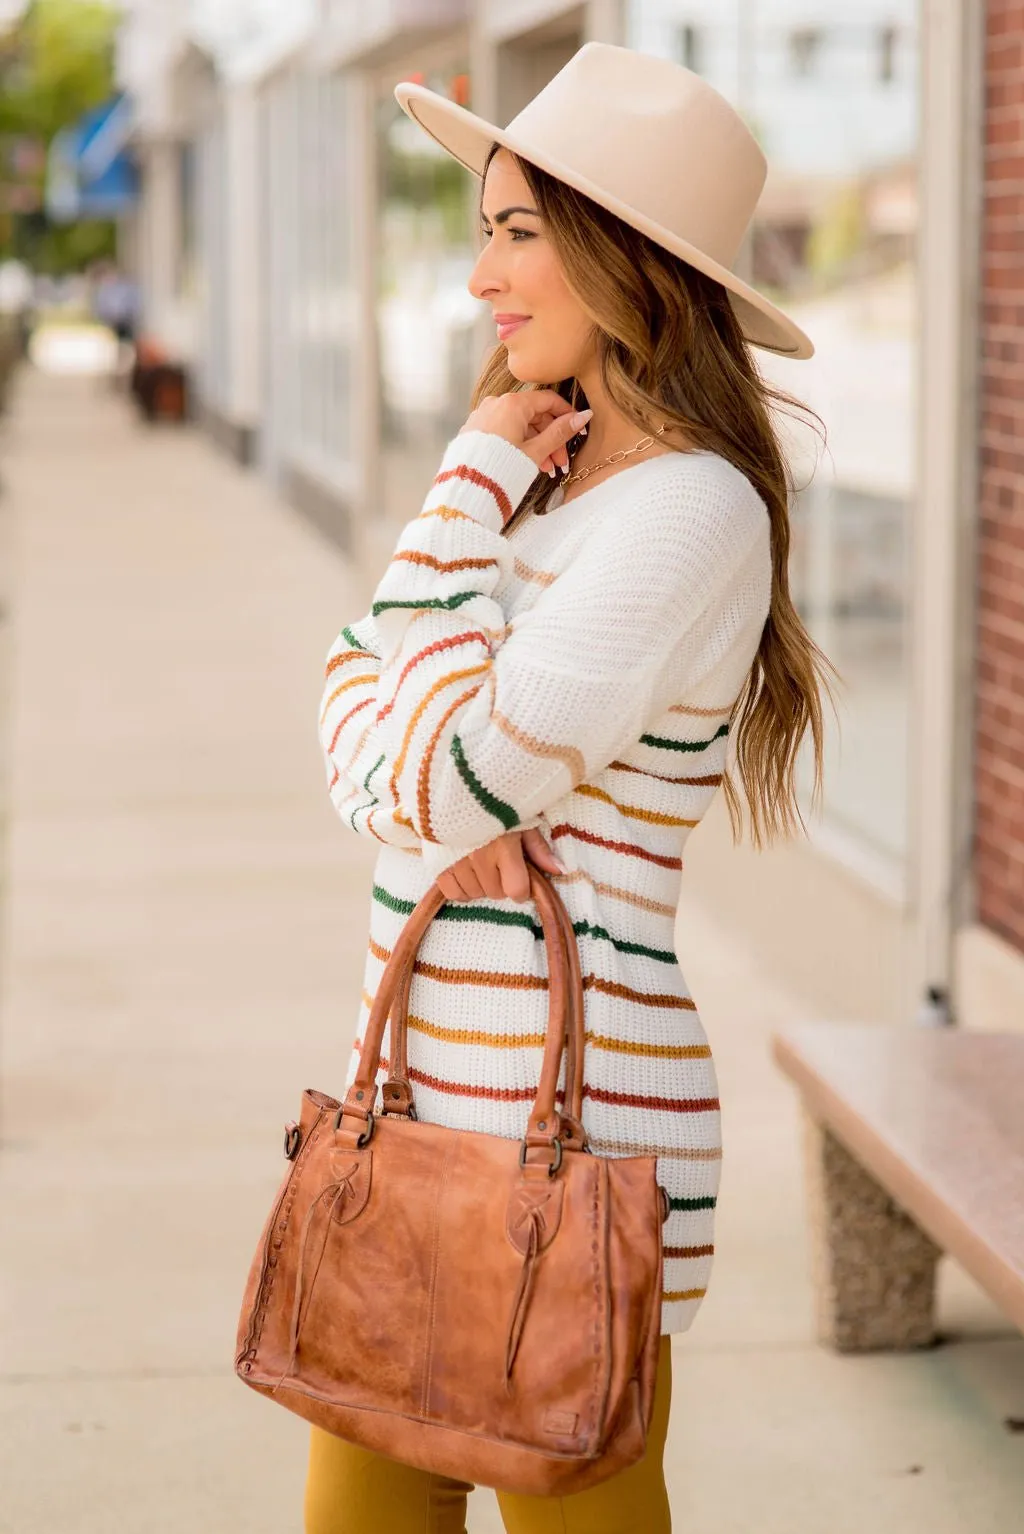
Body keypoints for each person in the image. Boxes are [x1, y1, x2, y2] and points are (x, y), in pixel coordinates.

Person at [312, 42, 835, 1534]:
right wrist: (475, 491)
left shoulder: (685, 513)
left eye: (518, 228)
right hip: (405, 1136)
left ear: (632, 257)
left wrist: (458, 498)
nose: (482, 275)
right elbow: (356, 729)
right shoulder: (541, 474)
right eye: (484, 227)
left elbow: (436, 768)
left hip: (576, 1161)